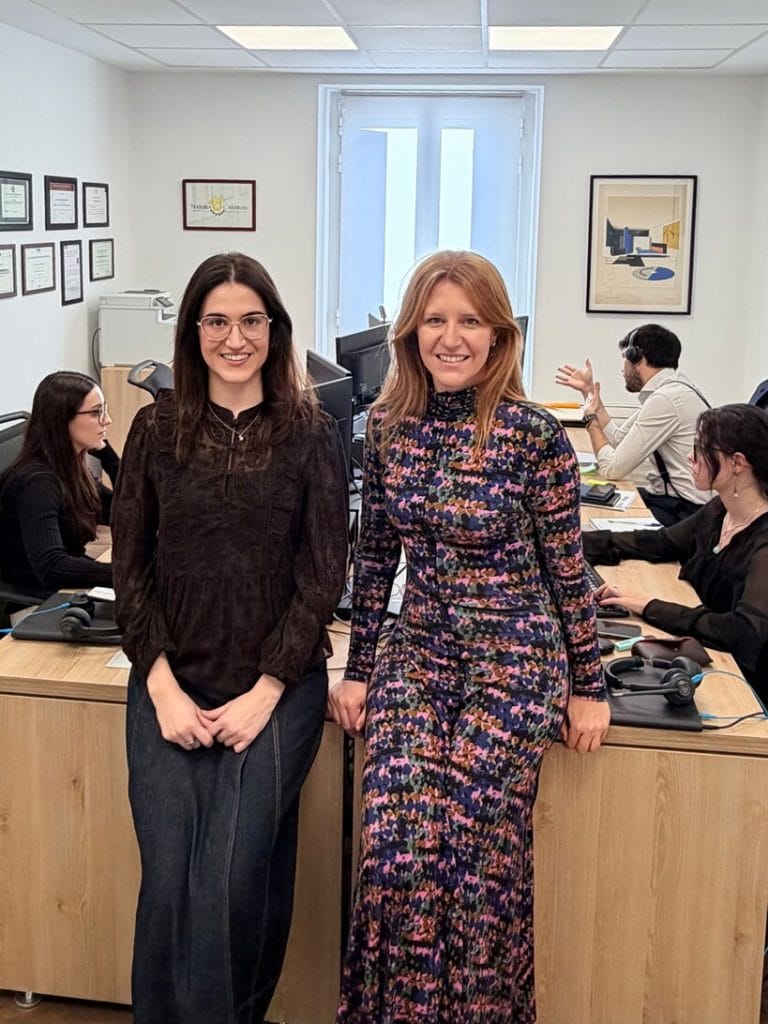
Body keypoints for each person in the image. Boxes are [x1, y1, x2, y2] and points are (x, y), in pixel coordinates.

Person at [328, 250, 609, 1023]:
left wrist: (589, 686)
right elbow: (376, 559)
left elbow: (567, 573)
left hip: (513, 666)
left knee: (475, 864)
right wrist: (359, 670)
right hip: (419, 656)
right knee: (397, 858)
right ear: (411, 332)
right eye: (435, 320)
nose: (451, 338)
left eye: (471, 321)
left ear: (499, 336)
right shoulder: (387, 429)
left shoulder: (532, 436)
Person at [111, 252, 349, 1024]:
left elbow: (323, 575)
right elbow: (130, 568)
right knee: (170, 880)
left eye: (252, 321)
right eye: (217, 321)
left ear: (275, 330)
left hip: (276, 689)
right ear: (193, 331)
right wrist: (161, 686)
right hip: (169, 683)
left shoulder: (311, 434)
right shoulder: (155, 429)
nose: (235, 338)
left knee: (233, 877)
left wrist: (268, 690)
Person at [584, 403, 768, 699]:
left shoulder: (763, 543)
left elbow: (742, 633)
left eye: (701, 449)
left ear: (737, 463)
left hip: (743, 685)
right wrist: (571, 542)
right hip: (708, 653)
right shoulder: (721, 510)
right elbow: (660, 543)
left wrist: (649, 606)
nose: (691, 457)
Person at [555, 323, 712, 525]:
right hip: (671, 501)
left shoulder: (666, 400)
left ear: (636, 357)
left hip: (686, 512)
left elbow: (612, 469)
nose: (623, 369)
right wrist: (589, 393)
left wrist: (591, 421)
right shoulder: (671, 390)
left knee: (588, 520)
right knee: (588, 501)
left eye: (625, 358)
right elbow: (618, 440)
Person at [0, 370, 117, 593]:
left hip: (65, 582)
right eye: (96, 412)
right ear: (62, 420)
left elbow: (122, 510)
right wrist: (124, 573)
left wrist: (108, 456)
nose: (107, 420)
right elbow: (53, 568)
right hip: (41, 598)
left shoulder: (68, 466)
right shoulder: (38, 484)